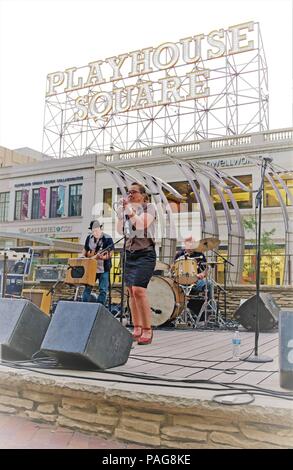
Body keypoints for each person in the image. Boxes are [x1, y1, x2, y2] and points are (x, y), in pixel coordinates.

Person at [116, 182, 157, 345]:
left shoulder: (150, 207)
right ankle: (137, 327)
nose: (130, 194)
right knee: (131, 292)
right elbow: (120, 231)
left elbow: (141, 224)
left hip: (145, 253)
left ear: (143, 195)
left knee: (139, 290)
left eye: (133, 192)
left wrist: (129, 210)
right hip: (129, 253)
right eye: (128, 192)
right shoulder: (127, 211)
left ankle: (148, 329)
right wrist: (121, 214)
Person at [82, 220, 113, 305]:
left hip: (104, 268)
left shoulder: (108, 238)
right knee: (88, 288)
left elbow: (110, 254)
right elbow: (85, 249)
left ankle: (99, 307)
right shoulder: (89, 238)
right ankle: (83, 306)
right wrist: (82, 257)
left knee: (103, 289)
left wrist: (103, 257)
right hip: (92, 267)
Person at [174, 236, 212, 300]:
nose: (191, 248)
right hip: (180, 282)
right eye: (189, 246)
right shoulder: (179, 254)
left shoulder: (199, 255)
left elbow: (206, 269)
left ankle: (209, 307)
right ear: (185, 244)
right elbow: (173, 269)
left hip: (196, 281)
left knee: (209, 284)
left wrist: (202, 274)